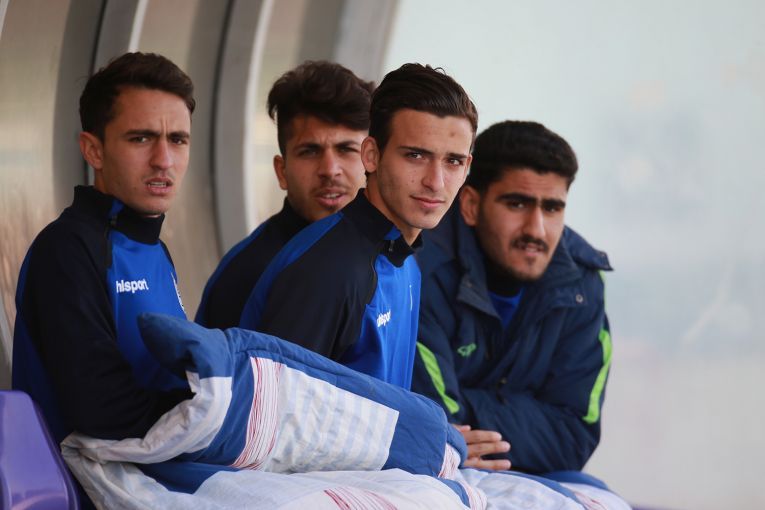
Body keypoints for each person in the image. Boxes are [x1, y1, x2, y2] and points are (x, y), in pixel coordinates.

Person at [238, 63, 477, 390]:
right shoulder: (327, 271)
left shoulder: (405, 258)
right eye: (415, 156)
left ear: (467, 167)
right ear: (371, 155)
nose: (435, 182)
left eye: (453, 161)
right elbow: (274, 411)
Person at [12, 52, 195, 443]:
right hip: (89, 478)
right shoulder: (66, 250)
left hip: (160, 464)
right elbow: (103, 411)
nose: (163, 160)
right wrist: (210, 419)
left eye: (177, 140)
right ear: (94, 150)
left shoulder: (155, 249)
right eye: (141, 138)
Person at [411, 120, 613, 474]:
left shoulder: (582, 285)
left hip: (524, 477)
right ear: (470, 205)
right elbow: (432, 427)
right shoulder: (419, 270)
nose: (536, 229)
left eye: (552, 208)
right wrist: (525, 413)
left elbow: (574, 436)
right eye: (517, 204)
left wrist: (467, 408)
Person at [195, 61, 374, 329]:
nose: (329, 170)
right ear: (282, 171)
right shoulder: (249, 274)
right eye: (309, 151)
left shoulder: (391, 254)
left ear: (372, 160)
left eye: (346, 149)